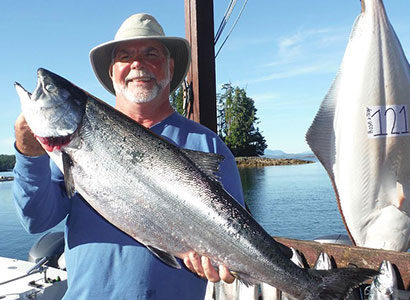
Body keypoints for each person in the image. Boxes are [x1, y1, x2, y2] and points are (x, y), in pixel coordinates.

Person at [13, 13, 245, 299]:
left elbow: (238, 231)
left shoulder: (209, 144)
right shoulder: (71, 145)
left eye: (151, 54)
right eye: (125, 56)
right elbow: (36, 221)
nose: (138, 64)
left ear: (170, 67)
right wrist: (28, 154)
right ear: (112, 71)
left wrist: (223, 260)